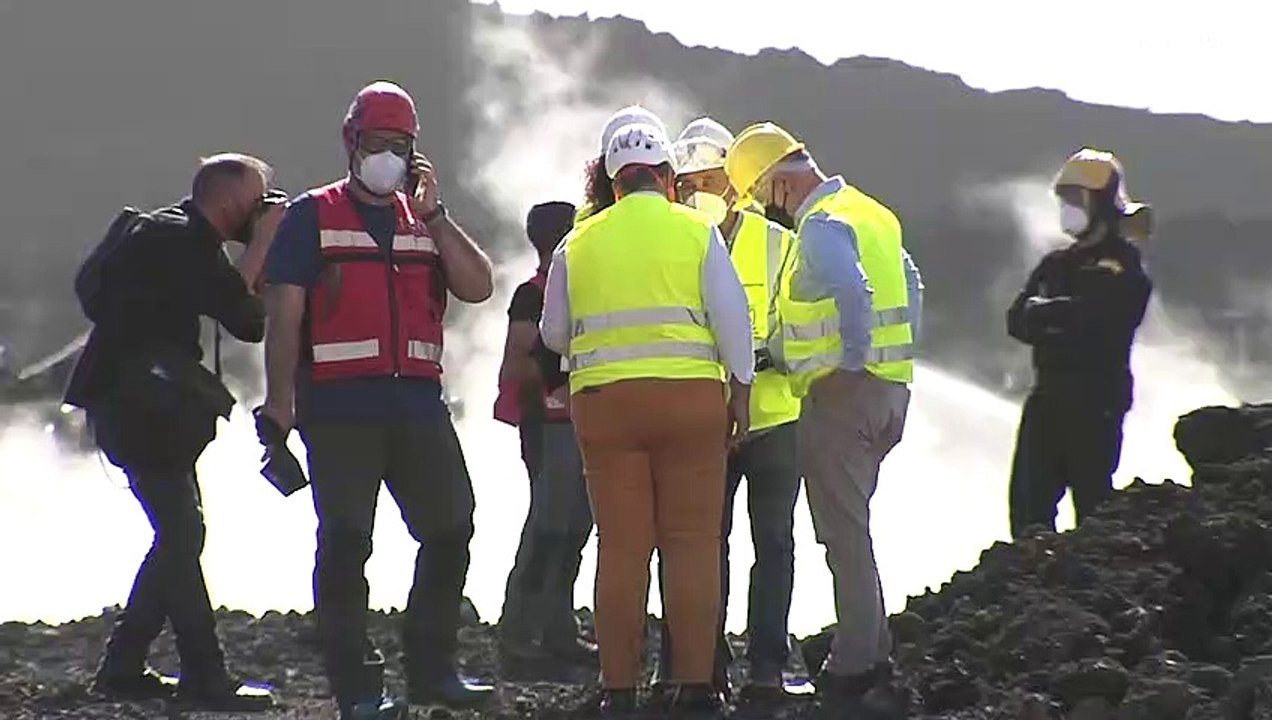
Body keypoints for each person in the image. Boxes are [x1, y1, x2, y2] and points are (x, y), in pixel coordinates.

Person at [259, 80, 494, 720]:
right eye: (376, 143)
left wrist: (437, 213)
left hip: (415, 401)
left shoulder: (422, 221)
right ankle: (357, 688)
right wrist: (279, 405)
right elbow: (284, 314)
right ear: (350, 141)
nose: (385, 156)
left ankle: (431, 668)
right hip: (338, 406)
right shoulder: (313, 215)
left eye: (399, 145)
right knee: (345, 540)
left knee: (452, 525)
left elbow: (477, 286)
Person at [541, 119, 755, 717]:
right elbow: (733, 325)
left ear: (613, 185)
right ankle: (693, 686)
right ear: (666, 178)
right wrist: (739, 399)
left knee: (623, 548)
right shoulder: (697, 231)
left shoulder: (576, 243)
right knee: (692, 544)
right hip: (691, 407)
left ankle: (618, 688)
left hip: (607, 410)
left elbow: (554, 333)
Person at [64, 153, 282, 711]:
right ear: (230, 200)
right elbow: (245, 315)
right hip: (143, 412)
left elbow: (244, 317)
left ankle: (125, 666)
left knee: (183, 532)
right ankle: (202, 678)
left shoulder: (172, 241)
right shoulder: (179, 242)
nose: (261, 212)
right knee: (184, 531)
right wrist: (265, 243)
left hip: (142, 410)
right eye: (258, 201)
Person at [724, 122, 923, 719]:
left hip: (844, 399)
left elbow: (850, 291)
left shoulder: (820, 226)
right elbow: (911, 285)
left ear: (776, 184)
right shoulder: (872, 212)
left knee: (843, 537)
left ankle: (858, 662)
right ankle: (869, 647)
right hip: (891, 394)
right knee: (852, 528)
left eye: (761, 197)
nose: (766, 211)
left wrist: (848, 367)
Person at [652, 117, 803, 702]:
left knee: (775, 545)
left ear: (735, 183)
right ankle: (698, 668)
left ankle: (766, 668)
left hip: (773, 420)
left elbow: (800, 325)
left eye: (711, 180)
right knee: (699, 546)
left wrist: (770, 357)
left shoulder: (779, 244)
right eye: (689, 184)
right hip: (703, 423)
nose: (700, 192)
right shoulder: (676, 244)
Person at [1006, 147, 1153, 537]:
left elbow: (1098, 322)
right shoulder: (1056, 264)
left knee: (1094, 512)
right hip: (1047, 398)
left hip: (1096, 403)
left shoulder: (1125, 267)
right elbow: (1017, 320)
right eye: (1065, 200)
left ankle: (1091, 592)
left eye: (1077, 200)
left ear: (1101, 204)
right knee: (1027, 507)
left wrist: (1048, 315)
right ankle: (1031, 586)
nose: (1068, 209)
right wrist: (1059, 316)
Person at [493, 200, 597, 673]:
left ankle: (557, 632)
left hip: (576, 424)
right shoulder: (533, 295)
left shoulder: (575, 291)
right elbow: (518, 361)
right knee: (547, 527)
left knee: (575, 528)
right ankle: (518, 635)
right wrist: (551, 393)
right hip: (549, 424)